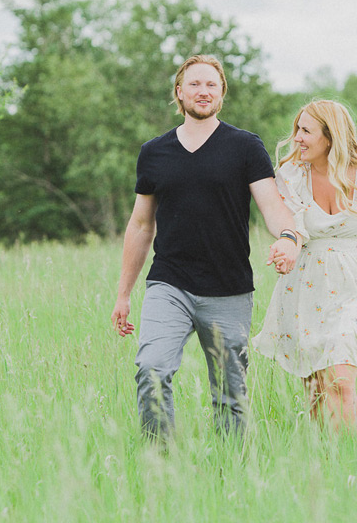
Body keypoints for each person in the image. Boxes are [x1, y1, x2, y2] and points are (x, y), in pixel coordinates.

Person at [111, 54, 301, 441]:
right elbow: (141, 224)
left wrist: (289, 238)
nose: (203, 91)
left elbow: (273, 206)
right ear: (179, 93)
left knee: (229, 394)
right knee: (151, 368)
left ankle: (229, 475)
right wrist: (123, 294)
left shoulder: (245, 147)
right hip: (170, 284)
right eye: (194, 84)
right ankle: (159, 464)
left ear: (222, 93)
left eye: (211, 84)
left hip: (228, 288)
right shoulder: (154, 152)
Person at [252, 99, 357, 431]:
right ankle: (327, 462)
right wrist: (285, 248)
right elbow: (292, 229)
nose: (296, 139)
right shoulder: (291, 175)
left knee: (340, 378)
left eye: (305, 131)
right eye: (296, 130)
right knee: (317, 388)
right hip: (307, 287)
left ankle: (352, 459)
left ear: (330, 136)